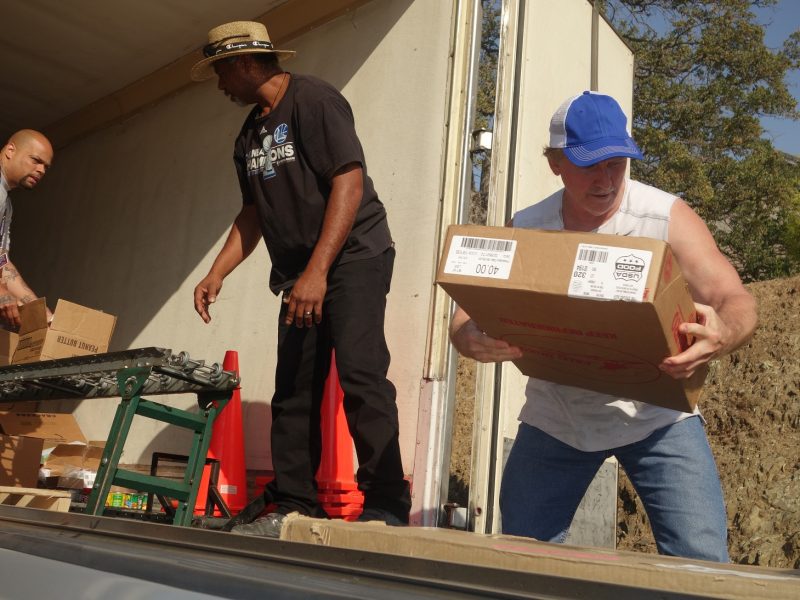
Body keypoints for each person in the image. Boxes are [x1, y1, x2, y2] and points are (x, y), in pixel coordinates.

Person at [449, 91, 757, 562]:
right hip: (558, 417)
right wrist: (466, 336)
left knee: (700, 563)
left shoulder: (663, 217)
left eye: (617, 162)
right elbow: (468, 311)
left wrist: (723, 334)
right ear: (555, 163)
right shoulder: (530, 226)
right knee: (523, 558)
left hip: (657, 417)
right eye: (590, 164)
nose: (606, 178)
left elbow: (735, 300)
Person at [190, 21, 411, 537]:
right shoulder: (248, 135)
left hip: (355, 255)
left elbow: (348, 181)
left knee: (360, 375)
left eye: (222, 71)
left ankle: (386, 499)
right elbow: (253, 214)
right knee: (293, 389)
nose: (220, 84)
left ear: (246, 63)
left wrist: (318, 270)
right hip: (298, 274)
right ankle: (295, 500)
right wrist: (216, 272)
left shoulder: (313, 100)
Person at [0, 129, 54, 329]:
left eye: (45, 166)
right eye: (35, 160)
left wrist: (40, 312)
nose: (41, 170)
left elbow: (1, 262)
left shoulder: (6, 205)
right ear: (10, 150)